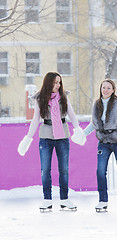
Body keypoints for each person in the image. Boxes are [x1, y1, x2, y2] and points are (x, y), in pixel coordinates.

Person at [18, 72, 86, 211]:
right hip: (46, 137)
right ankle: (47, 200)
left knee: (64, 170)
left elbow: (72, 115)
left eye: (59, 82)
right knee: (45, 170)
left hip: (62, 137)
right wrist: (28, 138)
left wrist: (78, 129)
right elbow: (36, 120)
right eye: (55, 82)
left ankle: (64, 199)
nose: (58, 85)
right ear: (48, 83)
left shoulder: (63, 97)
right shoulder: (40, 99)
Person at [72, 78, 117, 211]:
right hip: (104, 142)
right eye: (103, 87)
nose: (105, 90)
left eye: (108, 88)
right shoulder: (96, 104)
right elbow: (93, 124)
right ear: (100, 89)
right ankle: (103, 201)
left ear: (113, 90)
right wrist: (82, 134)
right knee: (100, 171)